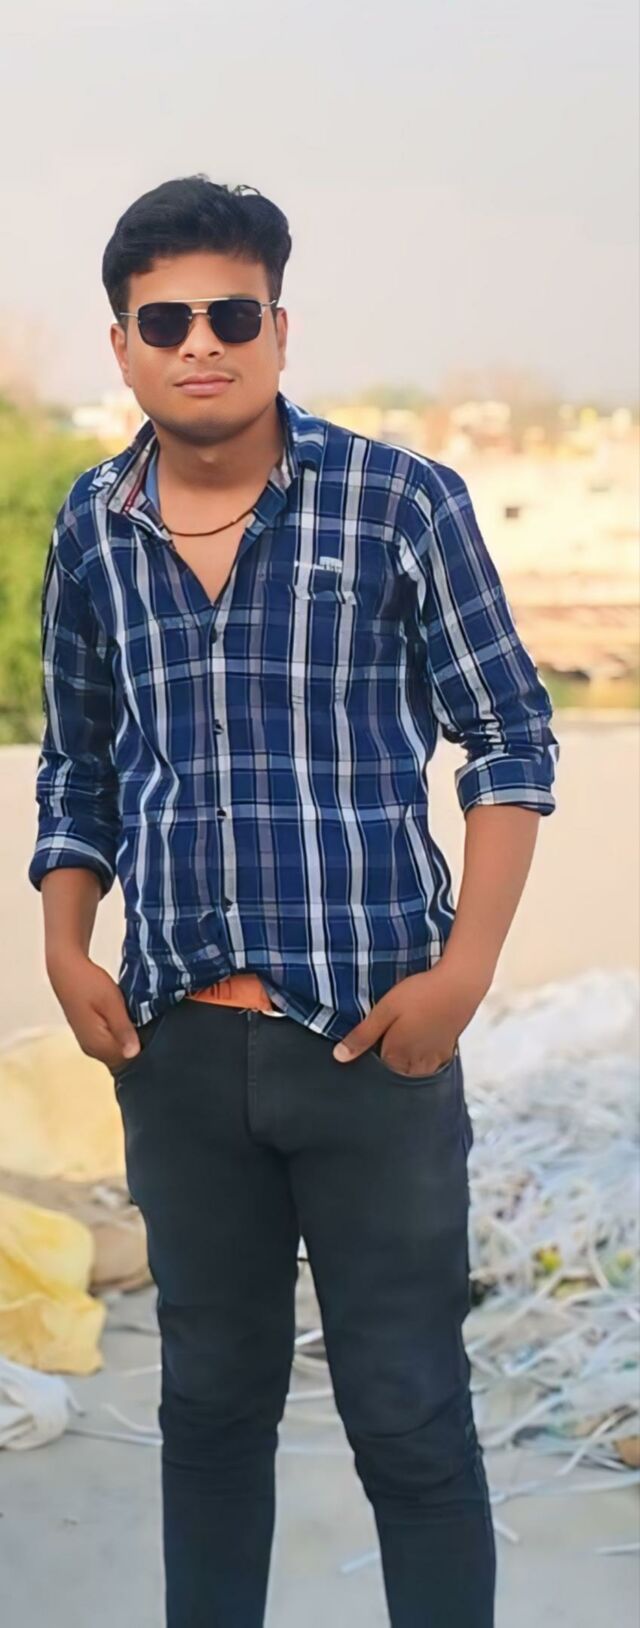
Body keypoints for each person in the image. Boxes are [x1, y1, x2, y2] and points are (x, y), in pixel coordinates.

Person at [29, 175, 559, 1628]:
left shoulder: (399, 504)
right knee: (208, 1412)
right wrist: (66, 945)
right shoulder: (92, 529)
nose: (200, 342)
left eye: (231, 313)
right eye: (165, 321)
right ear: (123, 345)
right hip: (180, 1053)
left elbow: (510, 738)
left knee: (409, 1413)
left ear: (279, 327)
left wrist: (462, 978)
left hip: (375, 1044)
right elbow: (78, 762)